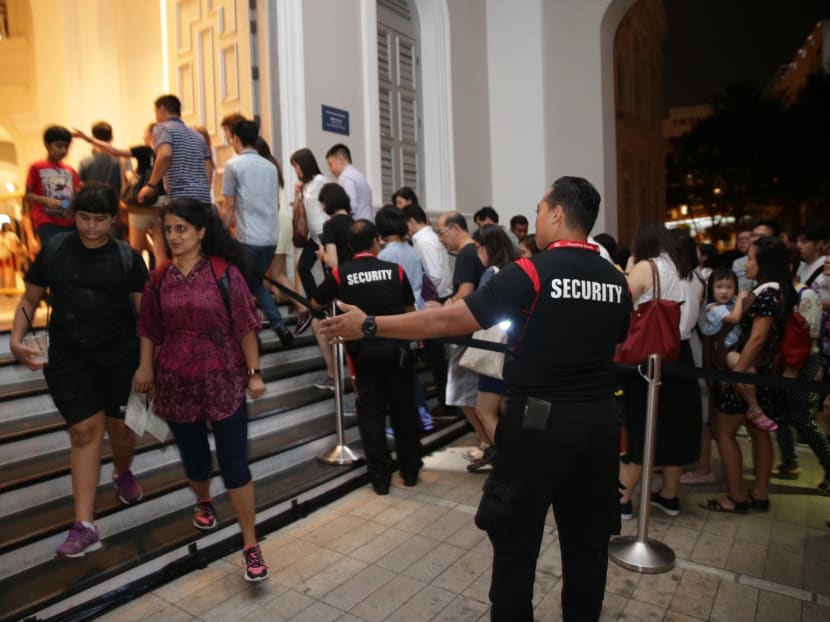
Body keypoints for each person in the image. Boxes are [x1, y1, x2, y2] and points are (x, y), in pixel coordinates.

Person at [319, 176, 631, 621]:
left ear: (558, 213)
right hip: (599, 423)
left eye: (541, 209)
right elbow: (615, 344)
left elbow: (452, 321)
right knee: (587, 545)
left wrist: (370, 324)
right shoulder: (615, 280)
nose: (537, 217)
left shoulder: (531, 272)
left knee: (515, 539)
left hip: (540, 423)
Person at [133, 199, 269, 582]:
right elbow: (149, 327)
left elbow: (246, 325)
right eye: (170, 230)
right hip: (176, 380)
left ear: (202, 232)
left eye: (182, 229)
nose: (174, 236)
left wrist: (254, 373)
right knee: (194, 461)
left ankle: (250, 543)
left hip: (223, 378)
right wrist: (145, 366)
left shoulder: (225, 274)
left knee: (234, 463)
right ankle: (204, 500)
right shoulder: (159, 277)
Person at [10, 182, 148, 557]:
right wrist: (16, 337)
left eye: (99, 220)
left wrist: (149, 363)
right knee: (86, 432)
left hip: (121, 356)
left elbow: (146, 315)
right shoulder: (54, 251)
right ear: (75, 218)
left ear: (112, 220)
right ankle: (84, 525)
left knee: (121, 432)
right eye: (84, 218)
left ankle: (122, 472)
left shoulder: (127, 256)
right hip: (71, 357)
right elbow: (30, 298)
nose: (90, 227)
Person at [311, 219, 423, 494]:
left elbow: (315, 303)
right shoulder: (394, 271)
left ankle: (380, 479)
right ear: (376, 242)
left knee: (370, 414)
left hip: (362, 353)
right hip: (396, 351)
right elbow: (411, 312)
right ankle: (409, 471)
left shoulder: (341, 274)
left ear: (349, 246)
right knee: (403, 411)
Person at [703, 235, 794, 514]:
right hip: (766, 373)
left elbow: (757, 339)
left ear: (765, 263)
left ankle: (736, 496)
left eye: (751, 258)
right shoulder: (778, 290)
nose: (746, 264)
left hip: (750, 370)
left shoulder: (767, 294)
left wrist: (739, 372)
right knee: (759, 432)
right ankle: (760, 494)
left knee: (723, 431)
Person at [619, 224, 702, 520]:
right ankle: (669, 496)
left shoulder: (647, 268)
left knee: (641, 425)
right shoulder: (692, 275)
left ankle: (622, 500)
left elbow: (619, 304)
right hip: (683, 355)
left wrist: (629, 270)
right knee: (675, 426)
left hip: (650, 355)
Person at [221, 119, 293, 347]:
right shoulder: (270, 167)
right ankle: (279, 325)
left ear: (237, 139)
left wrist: (221, 234)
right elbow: (276, 204)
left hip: (248, 239)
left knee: (240, 288)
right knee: (254, 284)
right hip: (270, 239)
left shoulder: (233, 165)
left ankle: (253, 336)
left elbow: (229, 205)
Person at [73, 123, 167, 265]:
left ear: (151, 135)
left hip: (141, 206)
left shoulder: (145, 150)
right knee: (160, 251)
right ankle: (163, 284)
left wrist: (87, 138)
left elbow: (114, 151)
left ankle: (136, 284)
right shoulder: (166, 154)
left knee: (135, 250)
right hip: (161, 203)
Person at [375, 205, 433, 431]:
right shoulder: (410, 249)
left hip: (397, 317)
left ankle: (401, 421)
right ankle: (423, 413)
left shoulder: (386, 254)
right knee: (408, 369)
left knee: (395, 374)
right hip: (415, 313)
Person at [699, 266, 778, 431]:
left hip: (733, 348)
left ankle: (752, 406)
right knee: (747, 368)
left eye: (729, 287)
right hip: (720, 351)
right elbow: (734, 318)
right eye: (719, 287)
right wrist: (741, 298)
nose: (724, 292)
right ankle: (754, 408)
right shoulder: (712, 307)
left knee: (748, 370)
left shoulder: (733, 302)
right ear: (711, 289)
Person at [466, 224, 518, 472]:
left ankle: (509, 460)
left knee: (484, 411)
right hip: (515, 350)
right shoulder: (516, 270)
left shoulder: (491, 273)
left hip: (494, 350)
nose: (476, 252)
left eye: (477, 246)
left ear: (488, 247)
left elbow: (477, 310)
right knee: (509, 410)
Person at [436, 211, 486, 458]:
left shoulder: (466, 254)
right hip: (479, 332)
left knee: (464, 395)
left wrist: (445, 308)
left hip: (466, 333)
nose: (440, 239)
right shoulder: (476, 250)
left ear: (456, 228)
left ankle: (487, 444)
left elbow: (465, 294)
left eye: (441, 233)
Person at [403, 203, 454, 415]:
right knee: (441, 358)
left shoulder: (421, 240)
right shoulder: (431, 237)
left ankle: (446, 403)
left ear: (412, 221)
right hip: (443, 296)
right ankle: (448, 401)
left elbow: (433, 274)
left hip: (435, 300)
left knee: (438, 359)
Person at [254, 137, 309, 333]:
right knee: (274, 274)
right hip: (282, 221)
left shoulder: (262, 168)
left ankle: (303, 308)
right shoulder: (272, 166)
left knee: (275, 274)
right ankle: (280, 304)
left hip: (275, 221)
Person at [311, 183, 354, 390]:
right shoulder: (356, 223)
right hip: (357, 281)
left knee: (318, 320)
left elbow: (333, 262)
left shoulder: (330, 225)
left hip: (339, 283)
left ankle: (332, 374)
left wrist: (322, 254)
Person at [137, 94, 212, 206]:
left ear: (161, 108)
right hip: (202, 197)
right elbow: (208, 167)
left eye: (155, 111)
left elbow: (165, 154)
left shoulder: (163, 128)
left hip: (180, 196)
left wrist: (151, 185)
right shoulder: (198, 136)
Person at [24, 125, 80, 251]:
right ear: (47, 145)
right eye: (59, 146)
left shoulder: (70, 170)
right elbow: (28, 195)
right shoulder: (36, 167)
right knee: (53, 252)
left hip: (68, 220)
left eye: (66, 147)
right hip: (47, 220)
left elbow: (75, 194)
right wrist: (47, 201)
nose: (63, 150)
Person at [290, 148, 329, 301]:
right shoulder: (305, 185)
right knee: (303, 267)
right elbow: (299, 209)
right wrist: (297, 193)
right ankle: (315, 302)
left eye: (296, 166)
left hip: (324, 234)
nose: (295, 170)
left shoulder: (320, 181)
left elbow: (329, 202)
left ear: (304, 164)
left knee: (330, 273)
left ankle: (331, 306)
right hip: (312, 236)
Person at [325, 143, 373, 222]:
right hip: (367, 223)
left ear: (340, 160)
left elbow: (351, 206)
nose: (329, 169)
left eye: (330, 164)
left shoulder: (345, 177)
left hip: (357, 226)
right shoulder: (357, 174)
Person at [78, 121, 123, 196]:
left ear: (92, 138)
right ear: (111, 137)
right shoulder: (120, 159)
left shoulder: (85, 160)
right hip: (113, 202)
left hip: (90, 201)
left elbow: (79, 184)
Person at [0, 218, 21, 291]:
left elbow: (15, 252)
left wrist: (18, 269)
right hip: (2, 261)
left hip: (9, 261)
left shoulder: (12, 235)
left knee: (8, 285)